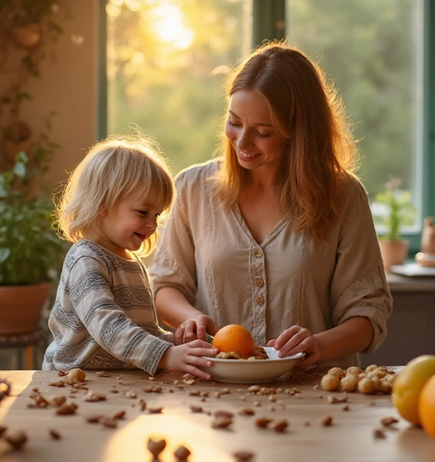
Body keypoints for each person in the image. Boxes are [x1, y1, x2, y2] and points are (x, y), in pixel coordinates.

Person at [149, 41, 392, 369]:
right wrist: (191, 318)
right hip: (214, 392)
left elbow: (368, 314)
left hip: (317, 396)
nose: (242, 142)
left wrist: (319, 343)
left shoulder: (345, 196)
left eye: (263, 132)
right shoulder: (193, 188)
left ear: (299, 133)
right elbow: (165, 286)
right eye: (235, 122)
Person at [42, 135, 217, 378]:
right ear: (102, 203)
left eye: (156, 215)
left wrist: (178, 342)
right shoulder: (86, 259)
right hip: (73, 382)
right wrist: (165, 355)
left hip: (117, 383)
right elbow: (107, 326)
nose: (152, 225)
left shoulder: (131, 263)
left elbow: (141, 332)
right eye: (143, 212)